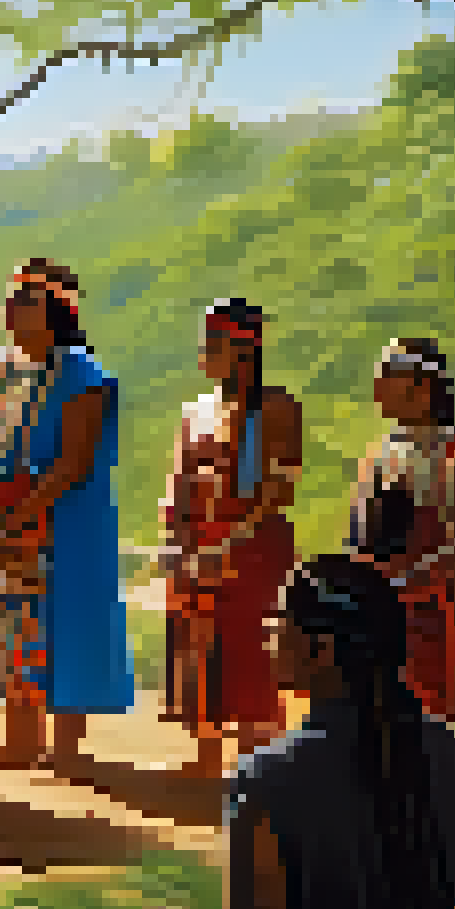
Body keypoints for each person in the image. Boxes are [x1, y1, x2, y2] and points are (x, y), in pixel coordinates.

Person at [21, 554, 455, 909]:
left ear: (320, 650)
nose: (267, 634)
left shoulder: (269, 777)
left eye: (278, 622)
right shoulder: (454, 758)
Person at [0, 260, 134, 772]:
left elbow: (74, 463)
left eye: (27, 300)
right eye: (10, 298)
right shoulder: (0, 371)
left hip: (67, 522)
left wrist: (20, 515)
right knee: (11, 619)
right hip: (4, 514)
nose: (12, 308)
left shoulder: (82, 374)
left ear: (57, 311)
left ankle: (66, 748)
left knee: (67, 622)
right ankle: (19, 739)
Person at [160, 299, 299, 777]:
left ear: (245, 347)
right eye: (204, 342)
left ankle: (259, 762)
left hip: (254, 545)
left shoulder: (276, 408)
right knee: (198, 644)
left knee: (250, 648)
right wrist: (176, 541)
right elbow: (179, 480)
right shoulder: (195, 410)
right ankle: (205, 755)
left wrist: (232, 540)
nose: (205, 351)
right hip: (198, 542)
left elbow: (279, 487)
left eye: (214, 342)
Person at [348, 337, 455, 721]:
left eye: (389, 373)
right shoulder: (378, 451)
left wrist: (405, 584)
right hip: (372, 611)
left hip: (423, 614)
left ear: (424, 387)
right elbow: (359, 536)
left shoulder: (454, 454)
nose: (378, 383)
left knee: (422, 719)